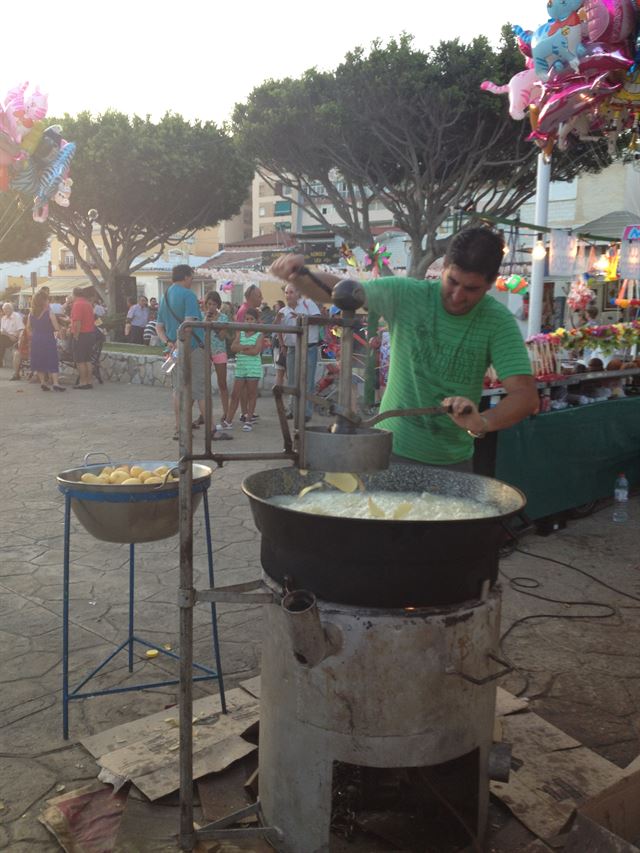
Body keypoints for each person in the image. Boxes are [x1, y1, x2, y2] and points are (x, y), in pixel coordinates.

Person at [270, 227, 538, 470]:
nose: (458, 296)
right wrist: (299, 275)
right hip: (390, 452)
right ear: (444, 267)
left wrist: (483, 422)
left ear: (490, 284)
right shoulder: (408, 294)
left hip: (453, 462)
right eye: (453, 282)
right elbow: (343, 292)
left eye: (471, 289)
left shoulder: (497, 321)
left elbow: (525, 396)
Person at [156, 264, 230, 442]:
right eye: (192, 277)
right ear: (186, 276)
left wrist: (170, 343)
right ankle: (211, 430)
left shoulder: (164, 296)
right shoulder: (188, 295)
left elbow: (159, 327)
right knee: (201, 389)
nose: (192, 280)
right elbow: (189, 325)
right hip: (193, 348)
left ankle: (180, 428)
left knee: (178, 390)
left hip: (174, 349)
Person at [281, 283, 321, 421]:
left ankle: (307, 412)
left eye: (291, 292)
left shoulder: (308, 304)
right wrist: (282, 346)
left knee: (308, 381)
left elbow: (318, 319)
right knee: (292, 380)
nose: (288, 295)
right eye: (286, 292)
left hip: (309, 348)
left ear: (298, 293)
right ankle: (292, 409)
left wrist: (300, 317)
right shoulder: (283, 311)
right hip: (292, 349)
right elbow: (278, 330)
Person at [225, 308, 263, 431]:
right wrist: (246, 346)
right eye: (247, 319)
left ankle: (248, 420)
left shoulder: (259, 335)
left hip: (253, 369)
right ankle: (228, 421)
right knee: (235, 394)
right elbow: (233, 347)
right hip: (241, 368)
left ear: (256, 321)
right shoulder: (240, 333)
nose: (249, 321)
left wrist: (241, 349)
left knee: (252, 395)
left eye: (251, 319)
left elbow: (255, 351)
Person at [28, 289, 66, 391]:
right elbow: (56, 328)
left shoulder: (31, 313)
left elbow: (29, 328)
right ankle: (56, 383)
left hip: (36, 339)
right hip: (47, 338)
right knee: (52, 359)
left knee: (39, 360)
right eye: (47, 299)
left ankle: (43, 382)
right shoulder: (49, 312)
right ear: (44, 301)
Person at [203, 290, 231, 428]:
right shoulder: (203, 317)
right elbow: (200, 334)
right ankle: (203, 413)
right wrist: (206, 321)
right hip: (205, 352)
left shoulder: (224, 318)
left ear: (218, 304)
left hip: (219, 351)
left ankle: (226, 413)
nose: (211, 307)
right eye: (209, 304)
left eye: (214, 304)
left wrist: (213, 324)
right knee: (203, 384)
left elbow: (221, 336)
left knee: (222, 383)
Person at [70, 287, 97, 389]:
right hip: (90, 334)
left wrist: (76, 335)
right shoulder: (88, 303)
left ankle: (83, 382)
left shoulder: (77, 304)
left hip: (81, 334)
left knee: (80, 360)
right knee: (87, 360)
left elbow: (77, 322)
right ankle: (89, 381)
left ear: (74, 294)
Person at [0, 302, 24, 380]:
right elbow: (2, 330)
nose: (6, 311)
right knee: (1, 339)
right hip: (5, 338)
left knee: (1, 339)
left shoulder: (16, 316)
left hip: (14, 338)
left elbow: (21, 330)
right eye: (4, 310)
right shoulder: (3, 318)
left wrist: (9, 335)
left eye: (7, 309)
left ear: (11, 309)